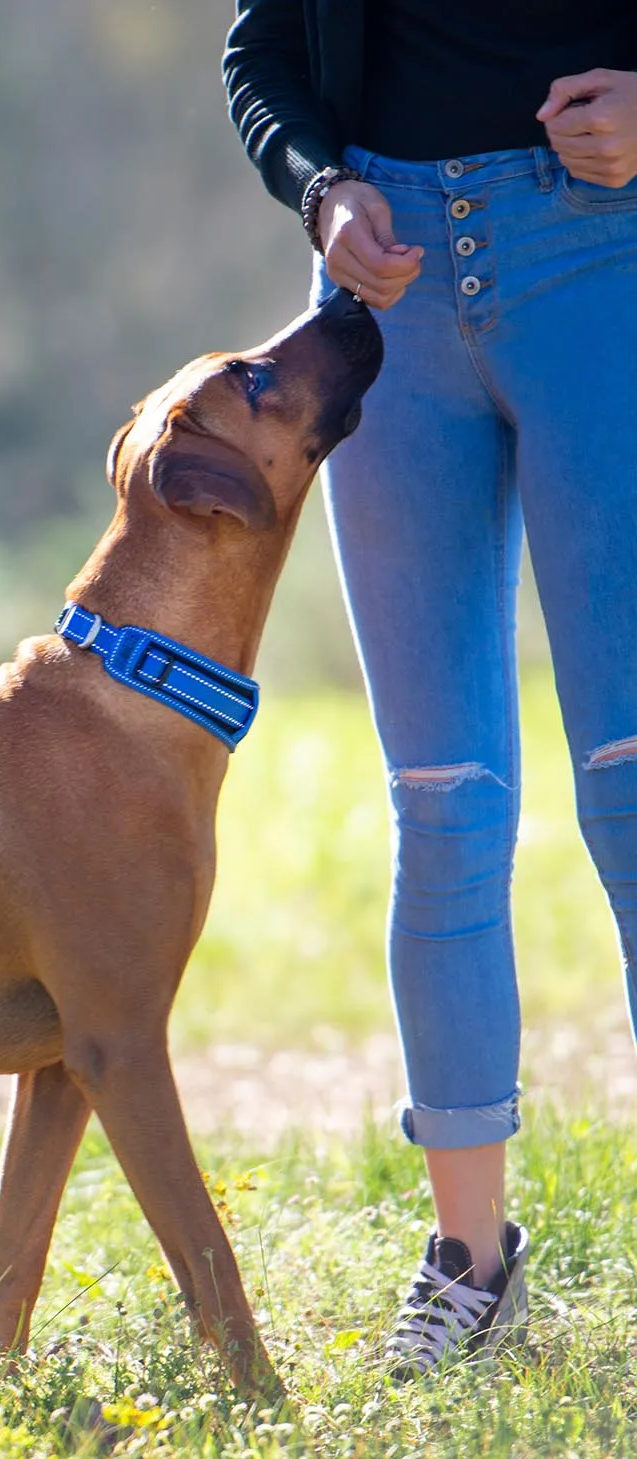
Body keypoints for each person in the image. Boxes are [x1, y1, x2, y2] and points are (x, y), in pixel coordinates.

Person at [222, 3, 637, 1376]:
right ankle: (471, 1268)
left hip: (605, 261)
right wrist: (320, 189)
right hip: (387, 308)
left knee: (633, 798)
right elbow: (264, 51)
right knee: (443, 808)